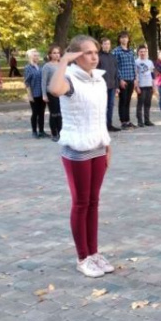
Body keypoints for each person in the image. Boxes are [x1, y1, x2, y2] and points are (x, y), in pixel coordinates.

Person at [48, 35, 114, 278]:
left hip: (97, 147)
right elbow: (54, 90)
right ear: (76, 56)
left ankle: (94, 252)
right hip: (77, 151)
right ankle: (82, 257)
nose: (94, 56)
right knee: (81, 202)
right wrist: (63, 60)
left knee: (94, 202)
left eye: (95, 51)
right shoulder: (69, 79)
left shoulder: (97, 80)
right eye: (87, 53)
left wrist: (107, 144)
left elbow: (101, 116)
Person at [113, 31, 137, 130]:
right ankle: (123, 121)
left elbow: (133, 65)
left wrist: (135, 78)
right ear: (119, 39)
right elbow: (115, 66)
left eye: (125, 37)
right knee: (123, 101)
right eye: (122, 37)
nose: (124, 39)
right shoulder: (116, 51)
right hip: (123, 80)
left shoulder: (131, 51)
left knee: (128, 101)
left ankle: (127, 120)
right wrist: (120, 79)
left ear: (128, 39)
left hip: (131, 78)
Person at [98, 37, 121, 132]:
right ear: (101, 45)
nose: (107, 45)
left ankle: (109, 124)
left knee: (110, 105)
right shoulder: (98, 56)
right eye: (105, 44)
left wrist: (117, 86)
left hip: (112, 85)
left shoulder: (113, 57)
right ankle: (101, 126)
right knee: (101, 106)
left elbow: (116, 72)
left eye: (108, 44)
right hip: (101, 86)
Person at [24, 48, 47, 138]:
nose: (37, 57)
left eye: (38, 55)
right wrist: (29, 95)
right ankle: (34, 131)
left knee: (42, 113)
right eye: (35, 55)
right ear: (30, 56)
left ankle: (41, 131)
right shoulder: (28, 68)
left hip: (42, 93)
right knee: (35, 113)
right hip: (34, 93)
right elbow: (27, 82)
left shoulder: (41, 67)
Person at [42, 44, 63, 141]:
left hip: (61, 92)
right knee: (54, 113)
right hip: (51, 92)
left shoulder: (62, 64)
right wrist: (44, 95)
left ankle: (61, 132)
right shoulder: (47, 66)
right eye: (54, 53)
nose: (57, 55)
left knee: (61, 113)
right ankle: (54, 133)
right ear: (50, 54)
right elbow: (44, 81)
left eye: (58, 53)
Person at [134, 45, 155, 127]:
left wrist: (154, 85)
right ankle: (140, 121)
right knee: (140, 104)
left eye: (144, 51)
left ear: (146, 52)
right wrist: (137, 86)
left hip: (149, 85)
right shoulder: (136, 62)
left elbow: (152, 74)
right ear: (138, 52)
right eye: (141, 51)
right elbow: (135, 75)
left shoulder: (150, 62)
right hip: (141, 86)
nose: (142, 53)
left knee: (148, 104)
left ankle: (147, 120)